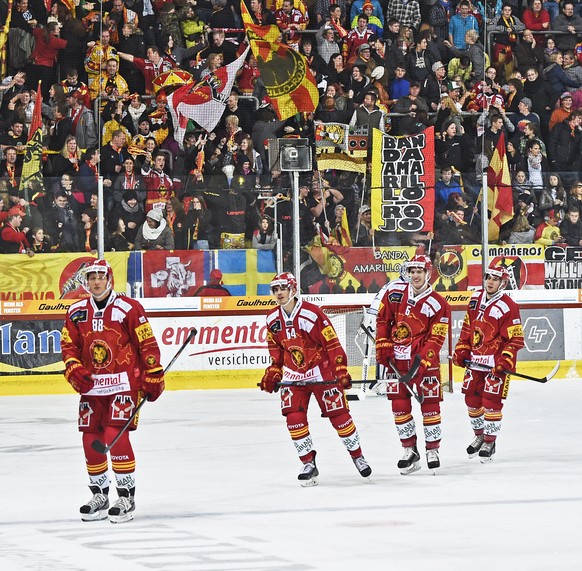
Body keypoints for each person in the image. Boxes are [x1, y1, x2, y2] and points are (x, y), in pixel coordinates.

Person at [61, 259, 165, 523]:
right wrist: (73, 369)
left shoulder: (128, 308)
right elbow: (68, 346)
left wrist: (152, 374)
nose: (96, 281)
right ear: (85, 281)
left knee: (114, 436)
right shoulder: (76, 311)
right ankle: (99, 495)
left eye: (100, 276)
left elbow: (147, 343)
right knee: (90, 441)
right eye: (91, 277)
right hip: (92, 387)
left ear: (109, 279)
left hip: (123, 384)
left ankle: (126, 496)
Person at [259, 272, 372, 486]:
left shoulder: (312, 314)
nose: (279, 293)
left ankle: (358, 456)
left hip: (321, 372)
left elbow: (332, 343)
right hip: (294, 374)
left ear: (292, 289)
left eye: (283, 288)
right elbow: (275, 348)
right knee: (293, 418)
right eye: (275, 289)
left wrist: (340, 369)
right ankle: (308, 463)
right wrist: (274, 370)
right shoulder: (272, 318)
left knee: (339, 416)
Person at [375, 255, 450, 474]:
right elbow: (383, 321)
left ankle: (432, 449)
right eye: (412, 271)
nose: (415, 275)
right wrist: (383, 346)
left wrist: (422, 361)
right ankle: (409, 450)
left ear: (428, 274)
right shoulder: (394, 294)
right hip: (396, 363)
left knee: (430, 405)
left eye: (420, 271)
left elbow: (436, 338)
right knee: (399, 407)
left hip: (425, 364)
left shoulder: (439, 304)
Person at [452, 264, 524, 462]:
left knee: (491, 403)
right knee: (471, 400)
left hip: (495, 364)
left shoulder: (508, 305)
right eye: (488, 277)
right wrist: (462, 348)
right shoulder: (475, 298)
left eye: (495, 279)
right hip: (475, 362)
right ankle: (480, 435)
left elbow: (516, 340)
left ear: (503, 282)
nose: (490, 282)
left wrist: (504, 361)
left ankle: (490, 441)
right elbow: (467, 326)